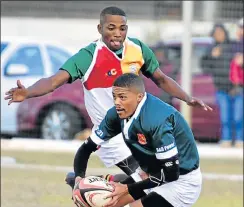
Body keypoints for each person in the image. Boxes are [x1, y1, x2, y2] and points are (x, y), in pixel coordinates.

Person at [21, 73, 243, 207]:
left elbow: (170, 174)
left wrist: (127, 188)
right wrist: (79, 178)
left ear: (139, 96)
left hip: (179, 181)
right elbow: (86, 147)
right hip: (149, 167)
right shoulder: (112, 103)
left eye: (122, 97)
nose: (117, 102)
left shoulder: (156, 119)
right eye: (114, 96)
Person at [5, 6, 210, 177]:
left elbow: (161, 78)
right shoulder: (89, 56)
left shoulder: (137, 49)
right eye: (111, 28)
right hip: (110, 135)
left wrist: (187, 98)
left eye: (122, 28)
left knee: (156, 177)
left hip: (138, 129)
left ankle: (99, 185)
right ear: (100, 28)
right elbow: (54, 80)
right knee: (145, 179)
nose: (117, 33)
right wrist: (28, 92)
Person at [201, 23, 235, 147]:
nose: (219, 35)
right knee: (225, 117)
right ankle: (226, 139)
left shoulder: (232, 47)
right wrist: (212, 56)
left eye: (221, 33)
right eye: (216, 33)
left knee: (237, 116)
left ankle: (239, 140)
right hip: (220, 87)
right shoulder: (211, 49)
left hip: (236, 87)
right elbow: (204, 67)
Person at [229, 18, 243, 147]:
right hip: (236, 85)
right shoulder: (234, 45)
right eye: (240, 28)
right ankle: (237, 140)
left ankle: (240, 139)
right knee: (235, 115)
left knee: (239, 115)